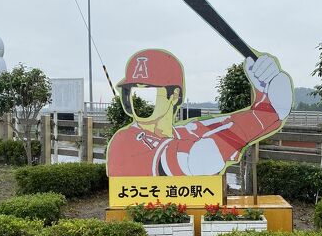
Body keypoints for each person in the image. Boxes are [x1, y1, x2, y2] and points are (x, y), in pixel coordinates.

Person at [107, 48, 293, 177]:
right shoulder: (124, 142)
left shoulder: (188, 132)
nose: (135, 98)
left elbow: (261, 118)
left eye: (149, 90)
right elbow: (199, 157)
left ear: (175, 95)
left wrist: (266, 91)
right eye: (132, 90)